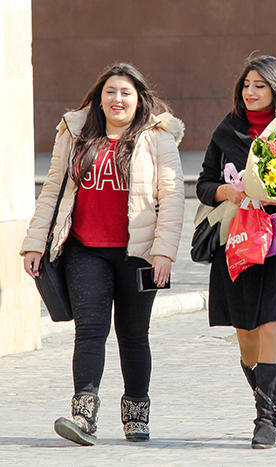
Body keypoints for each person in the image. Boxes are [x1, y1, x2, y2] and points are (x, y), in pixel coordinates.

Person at [21, 63, 185, 445]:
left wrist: (164, 253)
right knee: (89, 332)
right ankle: (84, 416)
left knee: (132, 334)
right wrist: (34, 242)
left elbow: (172, 198)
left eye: (126, 92)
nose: (117, 99)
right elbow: (52, 190)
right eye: (110, 92)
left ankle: (136, 414)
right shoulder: (76, 133)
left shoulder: (157, 137)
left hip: (138, 254)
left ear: (139, 98)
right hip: (84, 251)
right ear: (99, 97)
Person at [196, 55, 276, 449]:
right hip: (238, 239)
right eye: (247, 85)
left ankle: (267, 418)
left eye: (259, 86)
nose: (250, 92)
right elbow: (203, 184)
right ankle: (262, 390)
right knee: (247, 336)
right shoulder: (226, 131)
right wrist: (226, 191)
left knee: (272, 325)